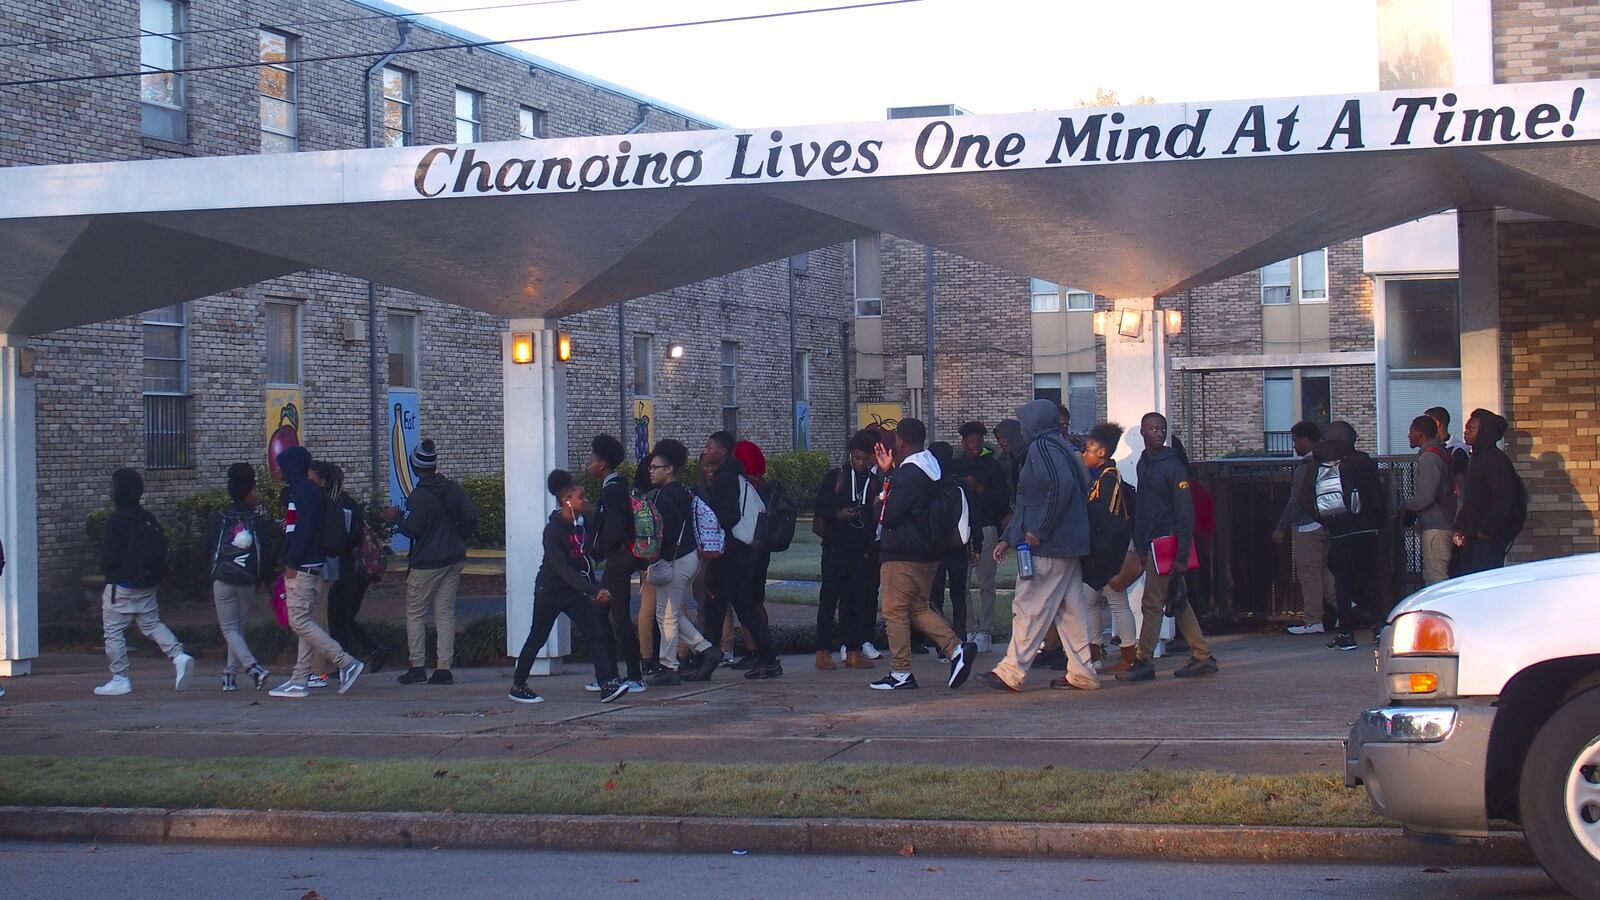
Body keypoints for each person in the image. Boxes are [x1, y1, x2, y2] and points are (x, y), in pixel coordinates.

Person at [977, 400, 1098, 693]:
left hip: (1049, 545)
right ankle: (1083, 673)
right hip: (1069, 544)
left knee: (1029, 604)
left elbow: (1060, 487)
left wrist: (1037, 530)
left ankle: (1011, 671)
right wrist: (1010, 537)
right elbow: (1038, 498)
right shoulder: (1063, 446)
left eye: (1023, 421)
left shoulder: (1041, 448)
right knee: (1070, 612)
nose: (1021, 428)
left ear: (1036, 422)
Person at [869, 417, 976, 691]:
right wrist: (887, 473)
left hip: (903, 553)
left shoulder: (910, 473)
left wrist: (880, 499)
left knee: (894, 611)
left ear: (901, 441)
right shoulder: (931, 467)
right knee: (917, 608)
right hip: (926, 553)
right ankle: (956, 650)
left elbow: (890, 515)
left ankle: (900, 672)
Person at [508, 470, 630, 705]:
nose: (585, 500)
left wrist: (594, 587)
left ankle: (607, 684)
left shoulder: (580, 525)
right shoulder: (553, 531)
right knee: (537, 637)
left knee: (595, 633)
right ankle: (518, 685)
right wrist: (592, 590)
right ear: (567, 500)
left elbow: (582, 562)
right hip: (549, 591)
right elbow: (562, 567)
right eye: (580, 497)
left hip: (572, 593)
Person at [1117, 412, 1219, 682]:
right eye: (1153, 429)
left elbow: (1185, 513)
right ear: (1143, 432)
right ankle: (1202, 656)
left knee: (1153, 602)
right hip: (1152, 543)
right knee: (1177, 600)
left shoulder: (1173, 466)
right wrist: (1140, 545)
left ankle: (1143, 661)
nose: (1159, 433)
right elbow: (1143, 508)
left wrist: (1182, 554)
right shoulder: (1144, 463)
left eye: (1162, 429)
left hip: (1168, 542)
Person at [269, 447, 364, 698]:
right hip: (311, 564)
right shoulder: (308, 491)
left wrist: (290, 563)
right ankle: (299, 679)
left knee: (298, 621)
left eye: (281, 465)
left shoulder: (301, 492)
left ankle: (345, 661)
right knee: (306, 622)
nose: (277, 470)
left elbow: (300, 531)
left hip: (301, 566)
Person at [94, 468, 194, 696]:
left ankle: (119, 677)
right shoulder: (147, 518)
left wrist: (110, 571)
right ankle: (179, 655)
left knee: (114, 631)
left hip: (121, 586)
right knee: (151, 624)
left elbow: (108, 558)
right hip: (147, 584)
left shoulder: (116, 521)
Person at [385, 439, 478, 686]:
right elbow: (470, 517)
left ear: (415, 468)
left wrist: (397, 517)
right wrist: (458, 537)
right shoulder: (453, 489)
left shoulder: (418, 497)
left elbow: (414, 529)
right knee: (444, 613)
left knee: (415, 613)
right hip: (454, 557)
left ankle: (417, 666)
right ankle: (443, 668)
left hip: (426, 562)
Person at [1291, 421, 1386, 652]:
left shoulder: (1318, 463)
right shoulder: (1361, 460)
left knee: (1343, 583)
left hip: (1339, 531)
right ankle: (1379, 629)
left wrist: (1327, 519)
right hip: (1365, 530)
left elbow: (1303, 499)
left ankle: (1346, 634)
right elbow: (1376, 495)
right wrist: (1377, 522)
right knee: (1371, 580)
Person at [696, 431, 781, 680]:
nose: (706, 450)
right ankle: (711, 657)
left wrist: (713, 527)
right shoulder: (734, 475)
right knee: (729, 607)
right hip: (737, 552)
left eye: (710, 446)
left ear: (722, 451)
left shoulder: (726, 478)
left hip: (730, 553)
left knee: (726, 606)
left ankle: (762, 658)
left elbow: (729, 515)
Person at [642, 440, 718, 686]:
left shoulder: (666, 495)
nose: (651, 471)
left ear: (670, 469)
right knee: (670, 612)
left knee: (667, 615)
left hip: (675, 559)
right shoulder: (682, 492)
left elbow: (666, 532)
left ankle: (669, 666)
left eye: (656, 467)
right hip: (688, 558)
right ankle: (707, 650)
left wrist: (654, 554)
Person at [814, 430, 883, 671]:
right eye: (856, 458)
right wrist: (837, 515)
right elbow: (820, 509)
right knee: (829, 600)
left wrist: (869, 549)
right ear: (850, 455)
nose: (860, 463)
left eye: (865, 459)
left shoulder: (873, 482)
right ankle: (823, 651)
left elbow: (876, 518)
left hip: (860, 551)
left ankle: (853, 650)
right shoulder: (836, 477)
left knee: (855, 603)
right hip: (834, 548)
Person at [202, 462, 274, 691]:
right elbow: (269, 551)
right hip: (248, 579)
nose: (258, 494)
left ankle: (250, 669)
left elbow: (206, 546)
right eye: (255, 490)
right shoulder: (259, 522)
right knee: (237, 627)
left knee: (231, 629)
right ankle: (230, 675)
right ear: (247, 492)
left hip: (222, 578)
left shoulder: (219, 517)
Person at [584, 434, 646, 691]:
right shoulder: (616, 486)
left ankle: (628, 675)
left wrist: (597, 549)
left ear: (602, 463)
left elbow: (614, 528)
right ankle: (615, 674)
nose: (589, 463)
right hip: (619, 558)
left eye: (592, 458)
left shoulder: (612, 489)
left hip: (618, 559)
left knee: (612, 616)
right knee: (610, 615)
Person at [1080, 422, 1138, 674]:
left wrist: (1106, 560)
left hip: (1107, 554)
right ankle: (1096, 651)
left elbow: (1109, 521)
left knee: (1115, 601)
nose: (1085, 454)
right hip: (1103, 553)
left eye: (1089, 450)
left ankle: (1127, 656)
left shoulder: (1108, 479)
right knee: (1090, 600)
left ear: (1101, 452)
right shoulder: (1103, 478)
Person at [322, 462, 389, 673]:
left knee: (339, 616)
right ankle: (373, 649)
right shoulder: (347, 503)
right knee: (345, 617)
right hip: (354, 569)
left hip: (346, 568)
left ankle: (346, 662)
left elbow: (349, 538)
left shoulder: (337, 506)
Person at [1272, 422, 1336, 635]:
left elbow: (1296, 500)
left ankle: (1313, 619)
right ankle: (1344, 606)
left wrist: (1281, 527)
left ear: (1305, 439)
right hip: (1327, 520)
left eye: (1295, 441)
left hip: (1307, 525)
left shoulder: (1306, 466)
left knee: (1309, 573)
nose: (1294, 446)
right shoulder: (1329, 461)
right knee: (1322, 569)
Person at [955, 421, 1009, 652]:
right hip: (961, 530)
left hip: (986, 527)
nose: (974, 444)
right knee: (962, 583)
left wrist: (979, 488)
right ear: (963, 442)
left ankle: (985, 630)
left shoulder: (992, 467)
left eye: (978, 440)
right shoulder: (955, 466)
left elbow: (1001, 500)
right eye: (970, 440)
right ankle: (968, 627)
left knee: (986, 583)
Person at [1454, 409, 1525, 575]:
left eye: (1471, 429)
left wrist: (1486, 530)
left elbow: (1502, 501)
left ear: (1484, 432)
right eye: (1466, 428)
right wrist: (1460, 527)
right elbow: (1472, 500)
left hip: (1488, 540)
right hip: (1473, 537)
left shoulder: (1496, 461)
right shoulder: (1476, 458)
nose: (1466, 432)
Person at [926, 441, 974, 659]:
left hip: (935, 549)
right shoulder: (960, 482)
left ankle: (943, 642)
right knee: (958, 596)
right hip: (958, 547)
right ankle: (960, 636)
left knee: (935, 597)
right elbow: (972, 513)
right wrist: (977, 544)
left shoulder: (928, 483)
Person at [1403, 415, 1457, 586]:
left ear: (1420, 433)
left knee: (1436, 577)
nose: (1408, 435)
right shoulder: (1442, 453)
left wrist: (1405, 504)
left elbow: (1426, 497)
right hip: (1445, 522)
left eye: (1411, 431)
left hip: (1436, 527)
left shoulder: (1429, 457)